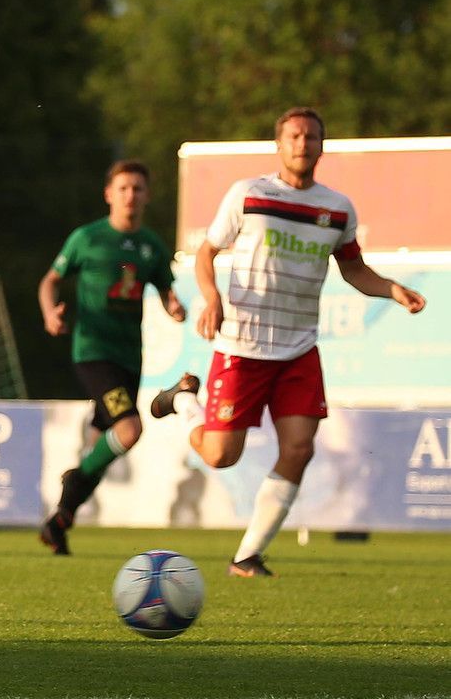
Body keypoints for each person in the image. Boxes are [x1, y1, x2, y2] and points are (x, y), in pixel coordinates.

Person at [150, 107, 426, 577]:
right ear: (279, 144)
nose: (302, 143)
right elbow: (206, 252)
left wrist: (392, 289)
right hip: (242, 346)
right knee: (220, 455)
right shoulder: (249, 194)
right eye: (294, 136)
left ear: (322, 146)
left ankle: (247, 556)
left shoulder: (337, 209)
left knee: (299, 448)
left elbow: (354, 269)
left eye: (311, 136)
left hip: (298, 348)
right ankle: (183, 400)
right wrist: (212, 297)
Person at [37, 159, 186, 555]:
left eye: (138, 188)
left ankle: (59, 521)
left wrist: (174, 306)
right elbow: (50, 281)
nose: (130, 195)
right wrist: (50, 313)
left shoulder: (151, 246)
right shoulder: (88, 238)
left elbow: (166, 290)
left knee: (102, 446)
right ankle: (73, 482)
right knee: (129, 429)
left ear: (147, 195)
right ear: (108, 194)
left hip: (129, 357)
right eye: (123, 188)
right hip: (93, 352)